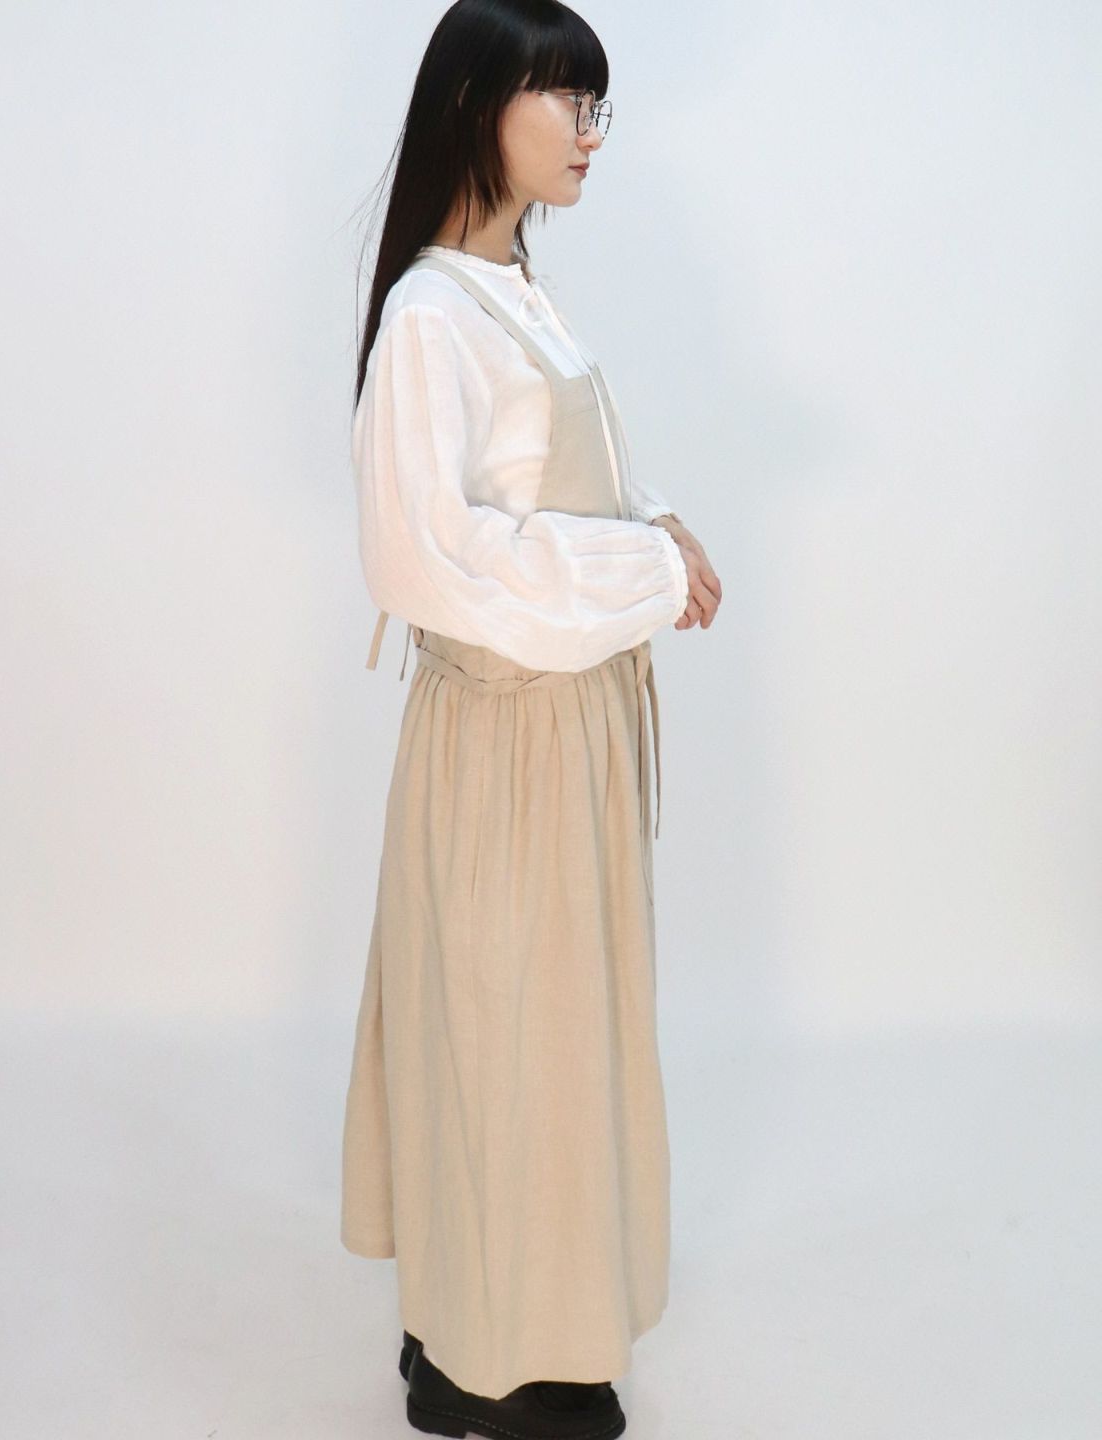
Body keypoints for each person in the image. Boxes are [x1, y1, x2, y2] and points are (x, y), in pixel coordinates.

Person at [339, 3, 722, 1436]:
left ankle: (507, 1315)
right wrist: (642, 571)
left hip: (564, 736)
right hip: (505, 738)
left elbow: (552, 478)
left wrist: (656, 522)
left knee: (545, 1029)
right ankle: (481, 1363)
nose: (588, 131)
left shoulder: (514, 291)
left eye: (594, 103)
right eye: (561, 97)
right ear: (475, 103)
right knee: (503, 1027)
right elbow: (428, 555)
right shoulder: (430, 316)